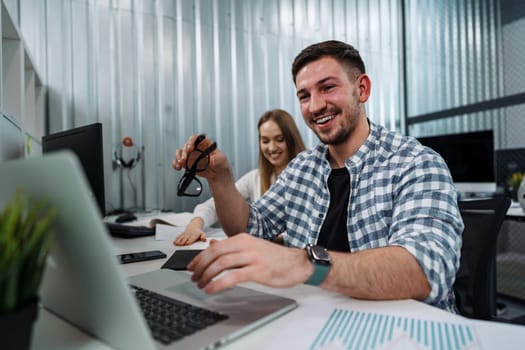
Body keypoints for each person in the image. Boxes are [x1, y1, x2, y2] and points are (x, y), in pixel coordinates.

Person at [172, 40, 464, 312]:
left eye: (327, 87)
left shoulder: (415, 163)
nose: (315, 106)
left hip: (402, 330)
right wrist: (220, 178)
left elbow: (424, 271)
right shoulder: (302, 168)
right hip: (313, 318)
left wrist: (304, 264)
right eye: (304, 95)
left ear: (361, 89)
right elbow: (251, 227)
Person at [174, 109, 306, 246]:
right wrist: (195, 224)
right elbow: (214, 206)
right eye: (265, 141)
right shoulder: (255, 177)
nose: (272, 148)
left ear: (291, 139)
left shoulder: (307, 178)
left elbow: (301, 234)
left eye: (280, 140)